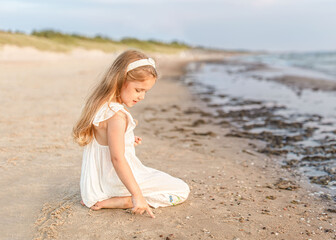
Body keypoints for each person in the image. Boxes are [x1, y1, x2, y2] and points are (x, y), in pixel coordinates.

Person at [72, 49, 190, 218]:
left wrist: (127, 140)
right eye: (138, 90)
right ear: (120, 81)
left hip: (96, 183)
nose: (142, 96)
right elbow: (117, 158)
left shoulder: (100, 105)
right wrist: (137, 194)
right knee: (181, 189)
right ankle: (128, 199)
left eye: (145, 92)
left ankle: (121, 195)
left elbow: (105, 141)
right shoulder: (118, 116)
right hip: (115, 182)